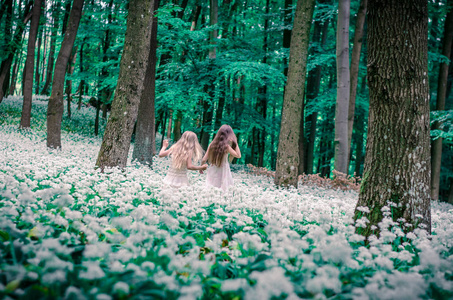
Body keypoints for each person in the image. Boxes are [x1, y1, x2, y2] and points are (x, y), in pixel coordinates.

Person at [201, 125, 241, 191]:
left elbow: (204, 159)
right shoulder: (226, 147)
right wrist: (235, 143)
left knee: (211, 188)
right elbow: (238, 155)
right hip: (223, 170)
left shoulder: (212, 144)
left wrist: (201, 168)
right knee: (223, 190)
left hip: (213, 169)